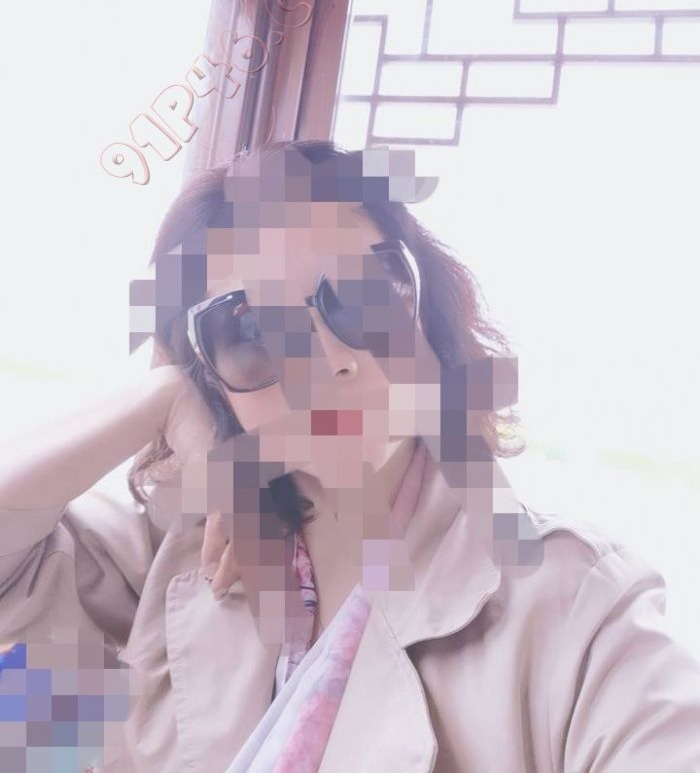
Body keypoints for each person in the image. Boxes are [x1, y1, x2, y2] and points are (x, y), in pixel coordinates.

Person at [1, 140, 699, 773]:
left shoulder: (572, 604)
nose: (329, 362)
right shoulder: (169, 551)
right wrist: (161, 399)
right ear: (208, 375)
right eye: (253, 331)